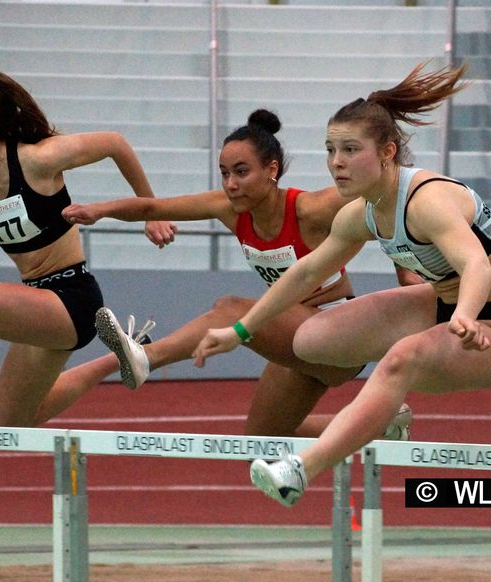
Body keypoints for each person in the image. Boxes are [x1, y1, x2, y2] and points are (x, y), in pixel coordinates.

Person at [191, 62, 490, 508]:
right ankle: (381, 414)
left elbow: (477, 264)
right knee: (312, 339)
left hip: (476, 308)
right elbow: (305, 273)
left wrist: (466, 314)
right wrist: (239, 331)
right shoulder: (362, 213)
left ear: (388, 152)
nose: (336, 162)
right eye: (331, 149)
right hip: (449, 303)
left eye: (350, 150)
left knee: (400, 360)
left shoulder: (426, 201)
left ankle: (300, 470)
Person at [36, 109, 414, 442]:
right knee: (261, 442)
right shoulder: (229, 208)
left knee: (231, 308)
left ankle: (145, 357)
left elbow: (388, 199)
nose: (231, 184)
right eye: (225, 173)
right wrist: (100, 210)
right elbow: (153, 205)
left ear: (272, 171)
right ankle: (379, 424)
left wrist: (408, 267)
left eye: (242, 172)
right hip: (295, 338)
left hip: (340, 339)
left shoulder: (312, 209)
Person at [0, 69, 175, 426]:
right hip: (37, 306)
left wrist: (153, 212)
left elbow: (115, 143)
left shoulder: (37, 160)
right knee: (10, 425)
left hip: (73, 298)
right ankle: (123, 355)